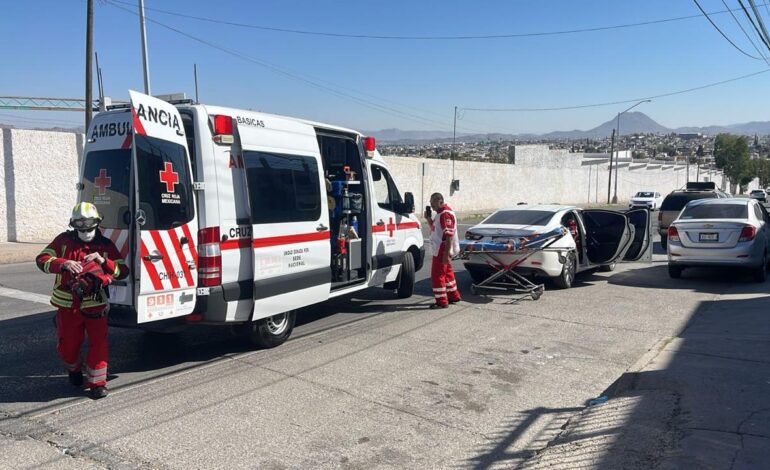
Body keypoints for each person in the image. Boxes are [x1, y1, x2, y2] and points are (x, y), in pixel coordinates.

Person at [36, 202, 127, 399]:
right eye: (80, 224)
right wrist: (63, 263)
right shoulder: (63, 241)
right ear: (73, 224)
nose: (85, 229)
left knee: (99, 344)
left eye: (89, 223)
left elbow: (122, 271)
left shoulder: (105, 245)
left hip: (96, 304)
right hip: (68, 306)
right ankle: (74, 368)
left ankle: (97, 384)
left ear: (97, 223)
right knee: (68, 346)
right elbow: (42, 259)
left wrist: (104, 262)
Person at [425, 193, 461, 308]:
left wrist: (446, 254)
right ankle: (453, 295)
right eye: (430, 204)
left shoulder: (445, 214)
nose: (431, 206)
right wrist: (429, 219)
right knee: (447, 274)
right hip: (441, 248)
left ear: (440, 201)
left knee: (437, 275)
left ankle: (441, 301)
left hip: (442, 249)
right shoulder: (440, 214)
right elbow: (436, 229)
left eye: (433, 203)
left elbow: (449, 235)